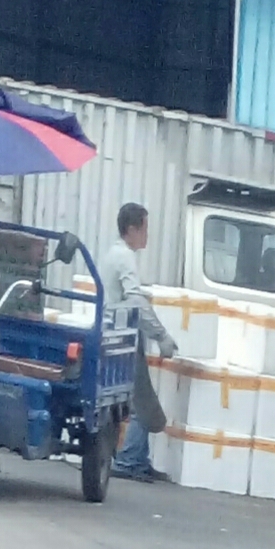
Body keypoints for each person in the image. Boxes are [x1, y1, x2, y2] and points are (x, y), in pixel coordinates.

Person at [104, 202, 177, 481]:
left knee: (140, 393)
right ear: (132, 229)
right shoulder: (124, 257)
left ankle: (138, 457)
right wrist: (161, 335)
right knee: (139, 398)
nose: (148, 235)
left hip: (119, 331)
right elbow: (135, 300)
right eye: (145, 228)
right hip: (122, 333)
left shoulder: (116, 254)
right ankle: (129, 459)